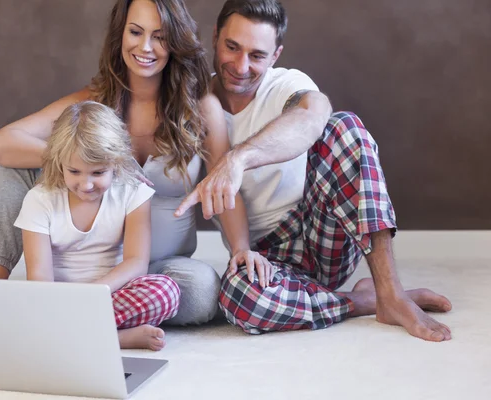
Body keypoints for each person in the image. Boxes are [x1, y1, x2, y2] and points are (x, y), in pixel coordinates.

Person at [0, 0, 261, 356]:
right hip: (87, 265)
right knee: (16, 166)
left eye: (159, 37)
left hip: (149, 270)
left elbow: (225, 181)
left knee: (202, 289)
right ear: (120, 35)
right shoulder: (93, 104)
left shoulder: (199, 107)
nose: (145, 47)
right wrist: (86, 158)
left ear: (175, 42)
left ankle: (44, 324)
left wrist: (241, 248)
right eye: (135, 32)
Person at [175, 0, 454, 342]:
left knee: (344, 127)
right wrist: (241, 251)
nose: (240, 65)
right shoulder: (201, 104)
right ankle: (362, 301)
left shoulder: (286, 84)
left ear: (275, 56)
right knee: (238, 297)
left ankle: (391, 291)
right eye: (232, 47)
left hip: (321, 227)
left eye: (257, 55)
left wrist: (239, 158)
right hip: (266, 256)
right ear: (216, 36)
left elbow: (314, 113)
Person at [17, 101, 179, 351]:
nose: (86, 184)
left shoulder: (133, 193)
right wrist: (61, 304)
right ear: (59, 162)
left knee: (165, 291)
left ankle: (62, 336)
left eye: (98, 173)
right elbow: (39, 277)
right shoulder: (40, 199)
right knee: (19, 307)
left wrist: (93, 293)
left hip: (109, 294)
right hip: (58, 299)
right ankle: (114, 339)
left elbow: (136, 262)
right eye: (75, 171)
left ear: (117, 162)